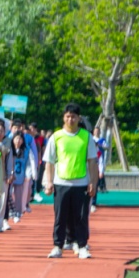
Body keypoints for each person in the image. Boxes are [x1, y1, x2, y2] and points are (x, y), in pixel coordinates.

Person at [43, 104, 99, 259]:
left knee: (81, 217)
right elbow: (49, 162)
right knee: (60, 217)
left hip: (81, 183)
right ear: (63, 118)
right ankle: (58, 246)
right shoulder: (56, 137)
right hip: (61, 182)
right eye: (67, 116)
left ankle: (82, 246)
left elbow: (92, 162)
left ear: (79, 118)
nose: (70, 119)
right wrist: (49, 182)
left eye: (73, 116)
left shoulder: (86, 137)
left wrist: (93, 182)